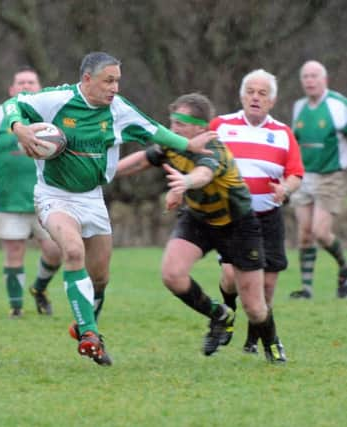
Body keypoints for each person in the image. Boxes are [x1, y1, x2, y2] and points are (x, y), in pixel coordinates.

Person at [3, 52, 217, 366]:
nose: (114, 87)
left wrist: (189, 146)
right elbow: (14, 103)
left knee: (100, 278)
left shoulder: (118, 110)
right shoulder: (58, 100)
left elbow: (154, 129)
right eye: (108, 81)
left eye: (117, 80)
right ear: (87, 79)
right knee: (73, 252)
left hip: (92, 198)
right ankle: (90, 333)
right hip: (54, 195)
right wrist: (19, 127)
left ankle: (86, 324)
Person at [116, 92, 286, 363]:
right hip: (198, 220)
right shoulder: (173, 145)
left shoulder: (214, 149)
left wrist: (186, 182)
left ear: (200, 127)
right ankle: (219, 314)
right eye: (172, 123)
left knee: (254, 307)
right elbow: (141, 160)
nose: (173, 130)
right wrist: (103, 170)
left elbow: (204, 174)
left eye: (180, 124)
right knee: (172, 274)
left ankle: (272, 343)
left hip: (237, 225)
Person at [210, 69, 303, 353]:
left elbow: (296, 173)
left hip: (268, 218)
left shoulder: (283, 134)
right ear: (241, 95)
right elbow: (200, 160)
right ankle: (227, 311)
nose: (255, 97)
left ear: (272, 101)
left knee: (267, 286)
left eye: (262, 93)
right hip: (232, 219)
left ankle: (253, 341)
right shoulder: (221, 126)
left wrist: (285, 189)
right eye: (250, 91)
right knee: (230, 277)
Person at [0, 67, 61, 318]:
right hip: (9, 199)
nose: (26, 86)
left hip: (49, 197)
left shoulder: (52, 115)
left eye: (31, 82)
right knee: (14, 252)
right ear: (11, 89)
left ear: (40, 88)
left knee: (55, 249)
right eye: (20, 82)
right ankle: (16, 308)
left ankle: (39, 288)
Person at [288, 60, 347, 299]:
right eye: (305, 76)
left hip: (330, 175)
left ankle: (344, 267)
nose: (310, 81)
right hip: (303, 175)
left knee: (321, 232)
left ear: (325, 80)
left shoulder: (337, 104)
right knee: (304, 234)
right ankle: (307, 289)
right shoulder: (299, 106)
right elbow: (294, 141)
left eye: (314, 76)